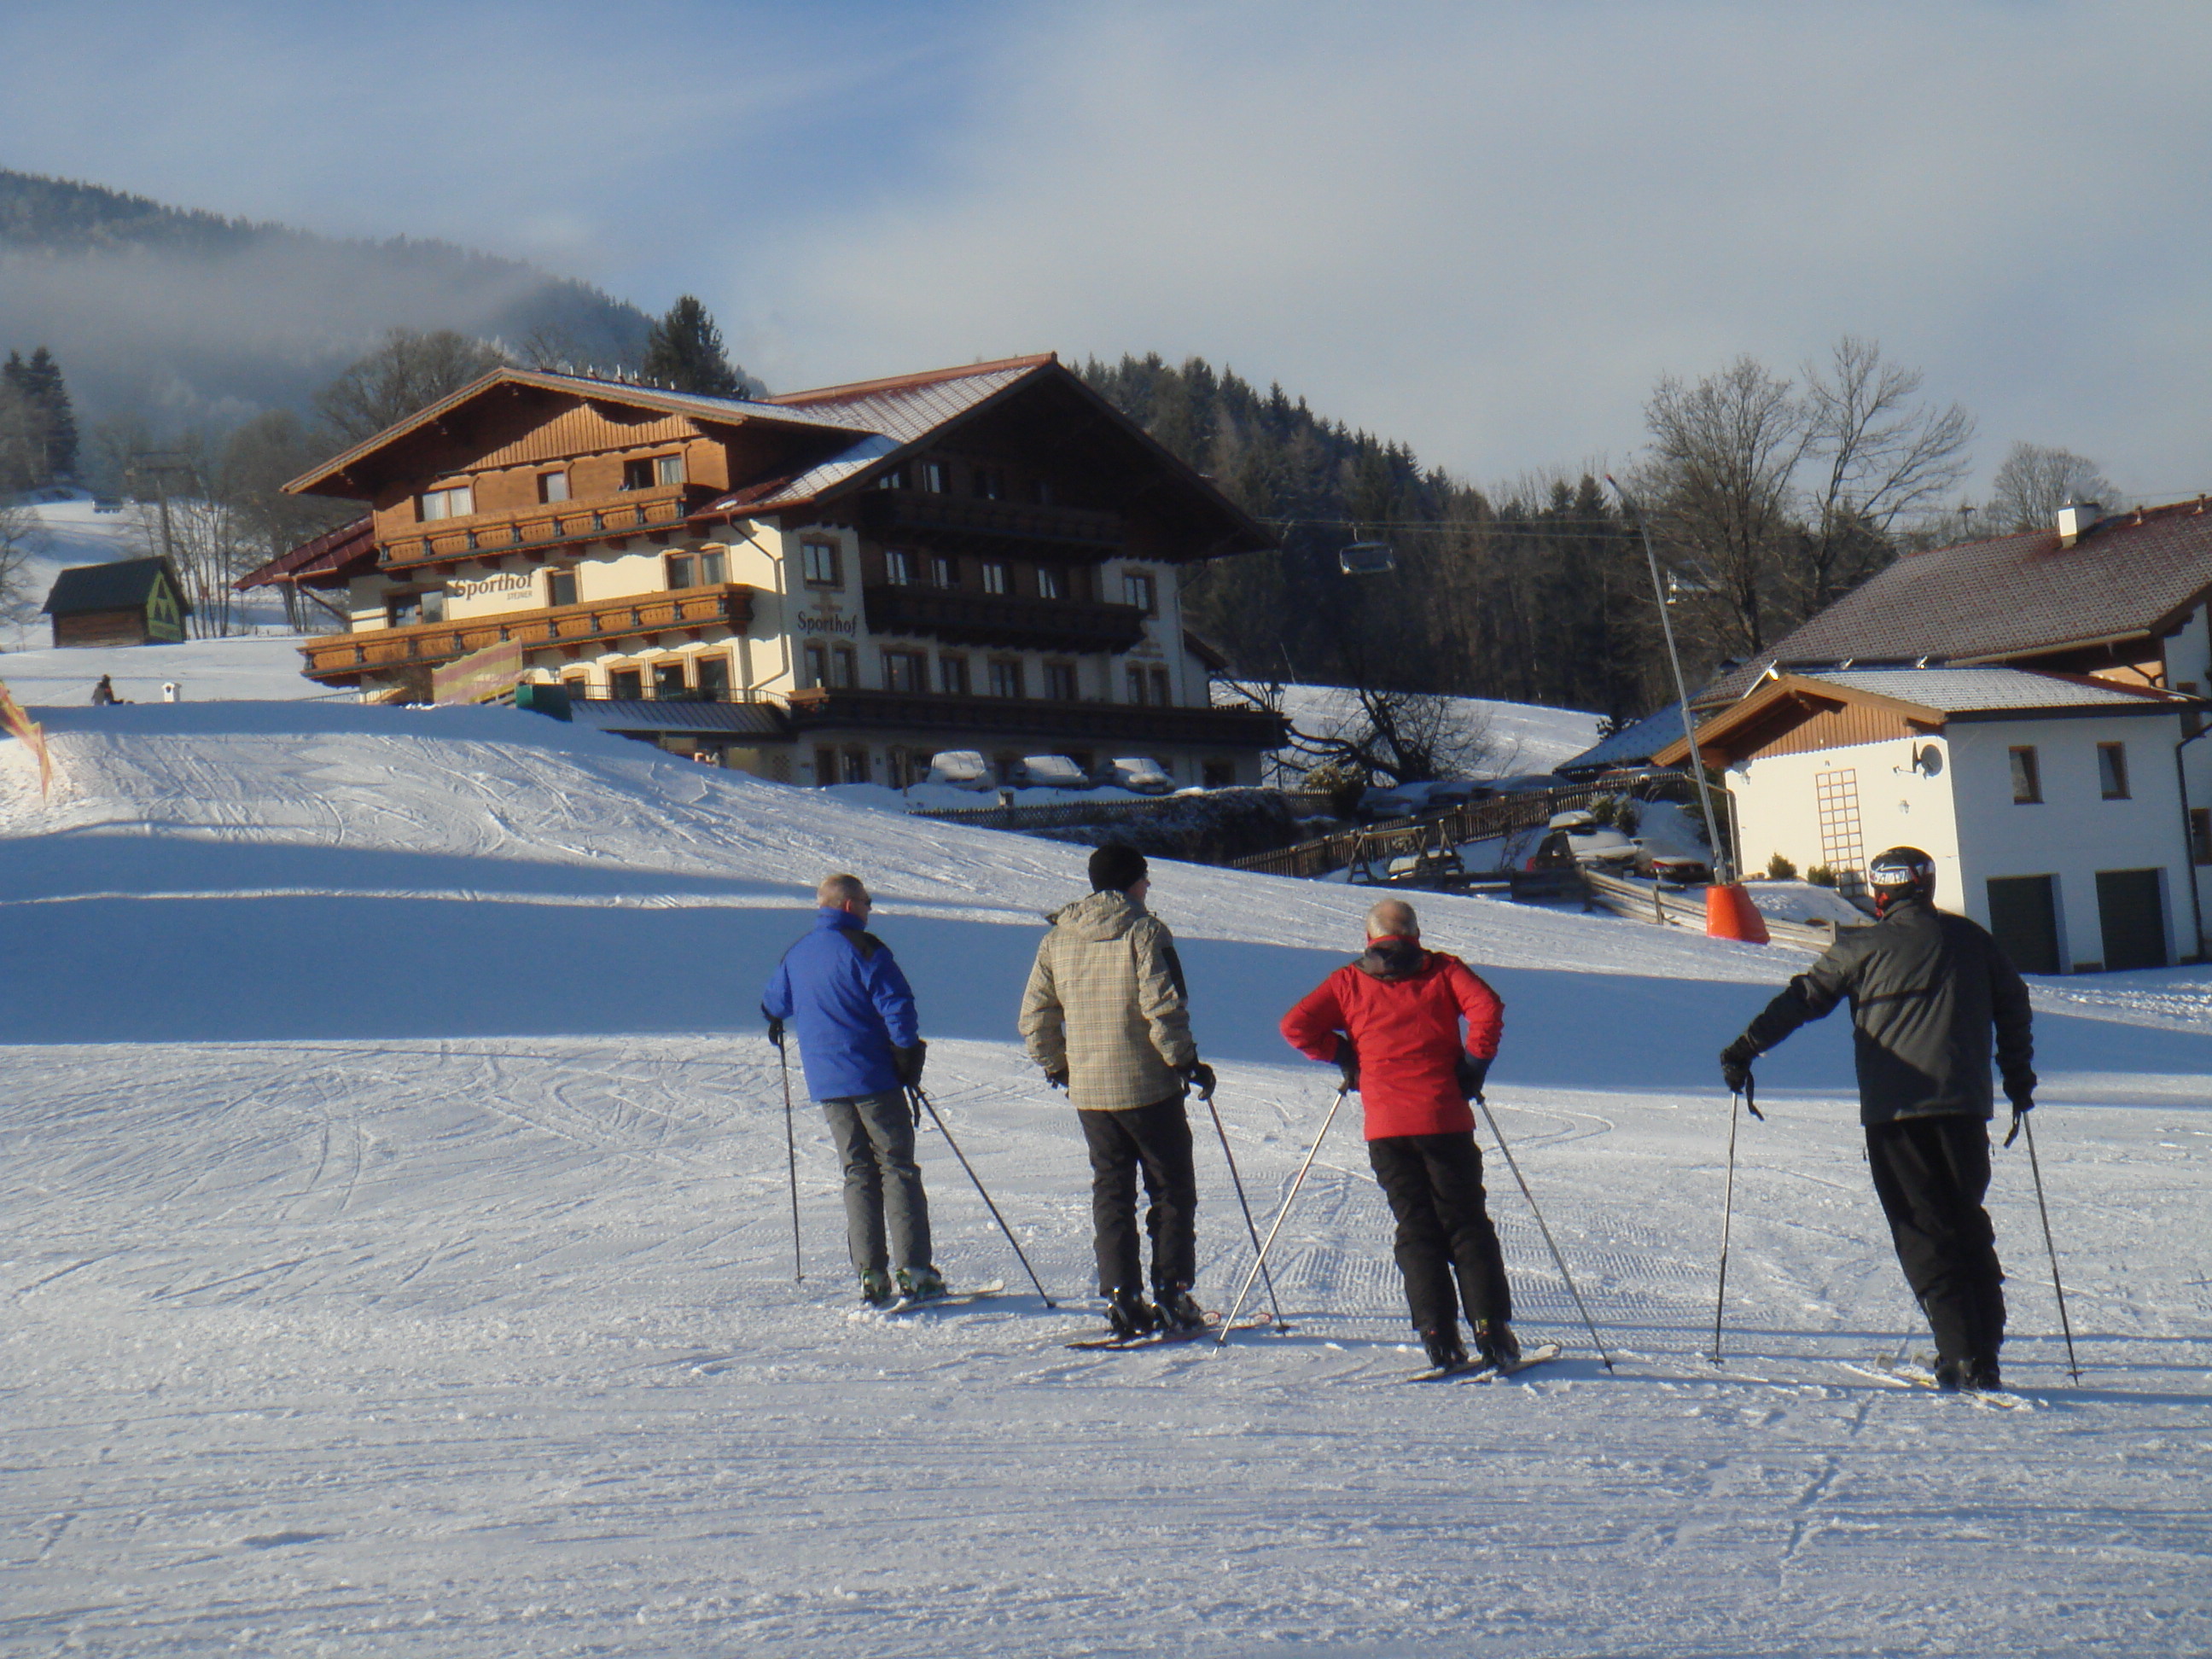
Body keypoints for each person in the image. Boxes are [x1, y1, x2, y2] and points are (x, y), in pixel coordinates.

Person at [1719, 846, 2034, 1392]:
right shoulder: (1972, 941)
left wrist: (1746, 1047)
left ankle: (1963, 1358)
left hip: (1896, 1114)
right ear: (1927, 887)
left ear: (1882, 892)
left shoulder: (1861, 947)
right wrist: (2018, 1078)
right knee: (1964, 1220)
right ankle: (1983, 1348)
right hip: (1964, 1108)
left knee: (1923, 1229)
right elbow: (2014, 1003)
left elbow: (1803, 999)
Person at [1280, 897, 1514, 1371]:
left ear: (1370, 940)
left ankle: (1437, 1335)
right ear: (1416, 934)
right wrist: (1474, 1066)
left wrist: (1345, 1055)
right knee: (1466, 1224)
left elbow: (1295, 1026)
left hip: (1386, 1127)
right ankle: (1491, 1330)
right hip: (1444, 1118)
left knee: (1416, 1226)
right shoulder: (1444, 971)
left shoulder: (1349, 981)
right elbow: (1487, 1009)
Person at [1019, 843, 1214, 1337]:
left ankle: (1123, 1298)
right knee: (1170, 1190)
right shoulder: (1145, 931)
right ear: (1129, 881)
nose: (1148, 886)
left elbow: (1035, 1016)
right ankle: (1171, 1295)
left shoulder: (1058, 939)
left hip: (1090, 1092)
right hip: (1148, 1086)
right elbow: (1163, 1005)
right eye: (1144, 877)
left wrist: (1059, 1066)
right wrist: (1186, 1061)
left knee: (1112, 1191)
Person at [762, 873, 943, 1307]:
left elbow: (774, 1003)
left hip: (828, 1082)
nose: (870, 908)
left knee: (857, 1170)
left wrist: (779, 1018)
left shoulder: (799, 952)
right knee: (897, 1166)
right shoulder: (864, 949)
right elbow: (897, 1004)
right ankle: (915, 1271)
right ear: (848, 905)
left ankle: (871, 1274)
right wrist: (906, 1054)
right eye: (866, 901)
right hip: (873, 1076)